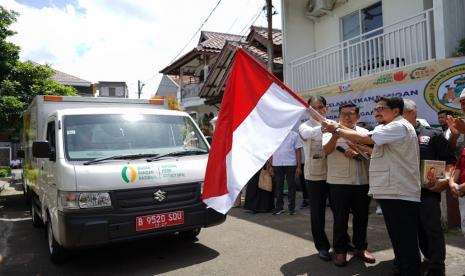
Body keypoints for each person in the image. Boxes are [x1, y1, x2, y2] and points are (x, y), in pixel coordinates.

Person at [321, 96, 422, 276]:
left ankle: (409, 270)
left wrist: (336, 128)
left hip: (399, 191)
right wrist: (336, 129)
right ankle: (402, 268)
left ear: (396, 111)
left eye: (381, 108)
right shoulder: (389, 127)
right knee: (398, 239)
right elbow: (373, 146)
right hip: (390, 190)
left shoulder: (398, 126)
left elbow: (366, 138)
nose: (376, 112)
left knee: (404, 240)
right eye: (375, 109)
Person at [403, 99, 456, 276]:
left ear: (412, 112)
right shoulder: (395, 135)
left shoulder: (432, 134)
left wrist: (445, 179)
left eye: (401, 113)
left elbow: (450, 161)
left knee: (432, 228)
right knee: (413, 229)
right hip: (402, 192)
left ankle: (436, 266)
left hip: (428, 192)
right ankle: (423, 258)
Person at [322, 103, 374, 267]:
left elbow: (374, 154)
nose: (347, 117)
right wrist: (335, 136)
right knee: (340, 219)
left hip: (362, 182)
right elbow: (326, 150)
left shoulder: (366, 133)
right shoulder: (330, 131)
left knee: (362, 218)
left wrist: (361, 151)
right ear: (339, 116)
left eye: (351, 114)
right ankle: (340, 251)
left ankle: (360, 248)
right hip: (339, 183)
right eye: (343, 114)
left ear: (358, 117)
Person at [299, 95, 332, 261]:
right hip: (315, 176)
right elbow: (312, 134)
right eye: (313, 108)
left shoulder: (333, 124)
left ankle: (344, 242)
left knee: (341, 211)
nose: (318, 111)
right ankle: (322, 246)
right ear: (308, 110)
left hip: (335, 175)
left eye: (320, 107)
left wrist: (333, 127)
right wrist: (329, 128)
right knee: (318, 212)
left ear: (326, 108)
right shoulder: (304, 127)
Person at [271, 131, 302, 215]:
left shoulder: (294, 135)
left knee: (291, 186)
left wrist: (299, 166)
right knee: (278, 186)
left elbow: (298, 151)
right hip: (277, 163)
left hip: (290, 163)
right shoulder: (274, 135)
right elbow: (270, 151)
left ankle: (291, 208)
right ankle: (279, 208)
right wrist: (270, 165)